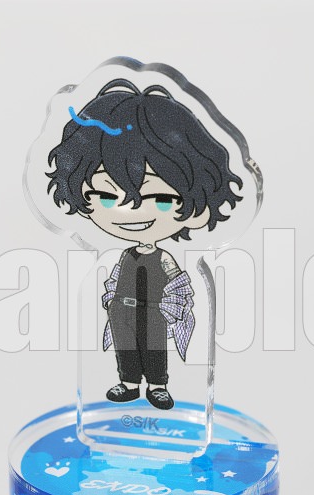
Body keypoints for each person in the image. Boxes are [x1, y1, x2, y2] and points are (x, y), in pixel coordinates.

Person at [46, 79, 243, 409]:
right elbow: (115, 279)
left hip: (153, 313)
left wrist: (175, 307)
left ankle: (157, 385)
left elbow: (179, 282)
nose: (131, 211)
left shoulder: (164, 258)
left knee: (153, 349)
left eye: (161, 199)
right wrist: (110, 300)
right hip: (121, 310)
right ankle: (128, 382)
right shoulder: (124, 255)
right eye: (105, 196)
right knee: (125, 348)